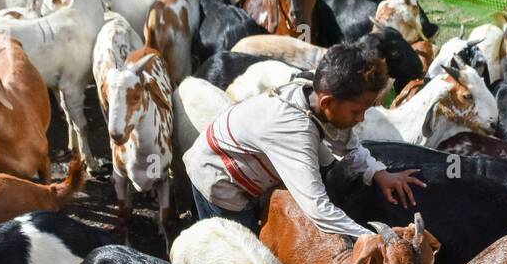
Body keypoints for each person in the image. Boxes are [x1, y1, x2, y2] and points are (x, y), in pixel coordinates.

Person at [183, 41, 426, 239]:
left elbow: (347, 145)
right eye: (356, 111)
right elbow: (318, 210)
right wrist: (376, 239)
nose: (361, 119)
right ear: (327, 103)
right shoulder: (294, 130)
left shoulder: (314, 94)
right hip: (219, 178)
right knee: (240, 248)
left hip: (243, 162)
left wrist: (379, 173)